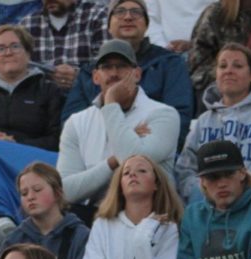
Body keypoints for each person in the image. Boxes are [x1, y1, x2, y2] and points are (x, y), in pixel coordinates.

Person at [57, 38, 180, 209]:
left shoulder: (163, 114)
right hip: (93, 216)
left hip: (150, 215)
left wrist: (111, 103)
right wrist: (113, 160)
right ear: (95, 77)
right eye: (106, 67)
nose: (114, 73)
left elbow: (135, 160)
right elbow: (65, 192)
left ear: (137, 74)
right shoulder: (76, 123)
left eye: (122, 66)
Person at [176, 43, 251, 217]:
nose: (228, 71)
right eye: (222, 66)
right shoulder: (203, 121)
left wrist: (228, 194)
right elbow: (185, 171)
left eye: (237, 66)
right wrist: (209, 193)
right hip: (209, 210)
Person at [61, 0, 194, 148]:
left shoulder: (169, 64)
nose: (128, 17)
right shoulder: (88, 73)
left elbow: (178, 119)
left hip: (151, 158)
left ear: (147, 24)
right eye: (120, 11)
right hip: (96, 157)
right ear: (109, 25)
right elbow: (70, 127)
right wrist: (125, 137)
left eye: (136, 12)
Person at [79, 153, 180, 259]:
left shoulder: (168, 228)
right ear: (120, 185)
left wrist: (143, 235)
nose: (133, 174)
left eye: (142, 170)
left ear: (156, 184)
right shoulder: (103, 224)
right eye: (126, 173)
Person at [6, 161, 89, 259]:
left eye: (37, 190)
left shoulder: (80, 236)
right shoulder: (14, 239)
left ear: (57, 192)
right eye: (24, 193)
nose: (30, 197)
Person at [185, 0, 251, 98]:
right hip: (218, 83)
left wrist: (250, 71)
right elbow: (197, 62)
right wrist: (227, 74)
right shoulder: (215, 14)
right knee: (211, 94)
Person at [18, 0, 108, 94]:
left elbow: (107, 62)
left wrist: (80, 76)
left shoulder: (98, 15)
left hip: (86, 97)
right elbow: (17, 67)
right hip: (41, 100)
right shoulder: (27, 24)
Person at [142, 0, 213, 53]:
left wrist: (194, 45)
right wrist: (164, 47)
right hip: (167, 56)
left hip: (206, 53)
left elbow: (219, 16)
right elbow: (150, 19)